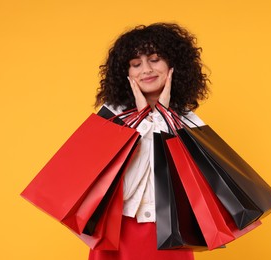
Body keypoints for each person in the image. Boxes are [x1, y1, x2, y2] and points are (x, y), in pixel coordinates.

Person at [90, 22, 210, 260]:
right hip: (118, 231)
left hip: (171, 235)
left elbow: (188, 190)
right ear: (127, 73)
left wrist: (163, 115)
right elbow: (114, 189)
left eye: (155, 59)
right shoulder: (110, 116)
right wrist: (144, 118)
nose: (146, 69)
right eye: (136, 64)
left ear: (172, 65)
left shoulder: (190, 122)